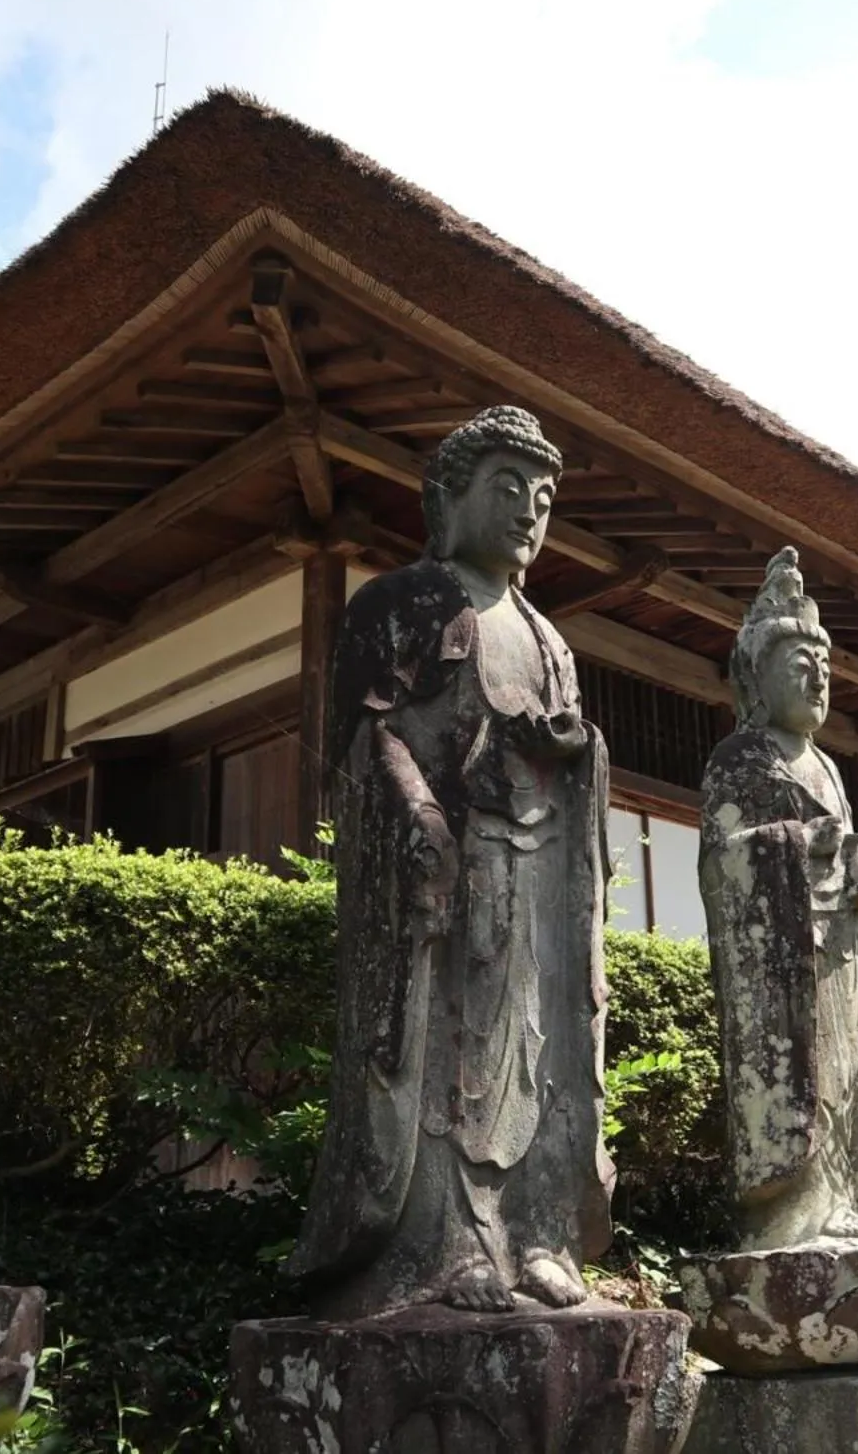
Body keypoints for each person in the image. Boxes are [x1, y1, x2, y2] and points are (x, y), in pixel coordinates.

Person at [288, 406, 613, 1317]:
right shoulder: (404, 604)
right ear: (449, 496)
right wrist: (422, 818)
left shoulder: (551, 640)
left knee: (534, 1052)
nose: (528, 513)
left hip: (533, 872)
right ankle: (447, 1244)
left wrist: (570, 746)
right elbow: (367, 741)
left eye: (544, 498)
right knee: (442, 1053)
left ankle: (534, 1230)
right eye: (507, 489)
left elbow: (569, 751)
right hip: (442, 875)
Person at [699, 547, 858, 1249]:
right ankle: (807, 1208)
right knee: (810, 1072)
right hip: (787, 955)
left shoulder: (827, 766)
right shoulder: (741, 758)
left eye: (825, 668)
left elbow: (845, 843)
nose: (817, 679)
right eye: (799, 665)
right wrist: (797, 843)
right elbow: (726, 857)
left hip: (840, 946)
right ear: (757, 678)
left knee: (854, 1072)